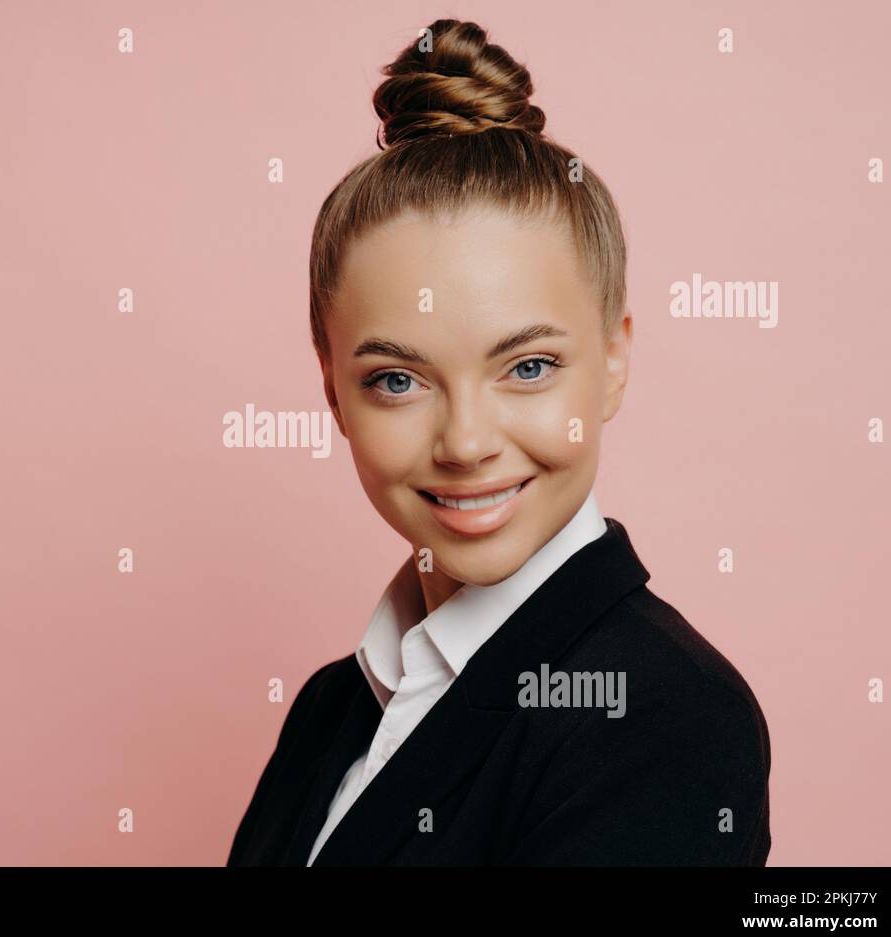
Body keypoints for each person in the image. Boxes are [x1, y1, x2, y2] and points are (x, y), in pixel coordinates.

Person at [226, 18, 771, 866]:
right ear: (332, 386)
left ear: (615, 360)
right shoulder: (331, 707)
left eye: (527, 367)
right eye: (397, 380)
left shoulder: (661, 714)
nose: (467, 443)